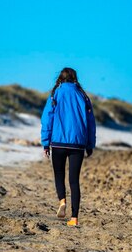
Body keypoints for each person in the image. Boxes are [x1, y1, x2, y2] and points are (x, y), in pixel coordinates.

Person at [41, 67, 96, 227]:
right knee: (74, 180)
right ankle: (74, 218)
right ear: (74, 78)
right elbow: (91, 123)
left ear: (60, 78)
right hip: (78, 144)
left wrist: (46, 142)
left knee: (59, 174)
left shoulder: (55, 94)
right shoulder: (83, 96)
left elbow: (47, 119)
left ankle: (62, 201)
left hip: (58, 142)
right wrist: (90, 144)